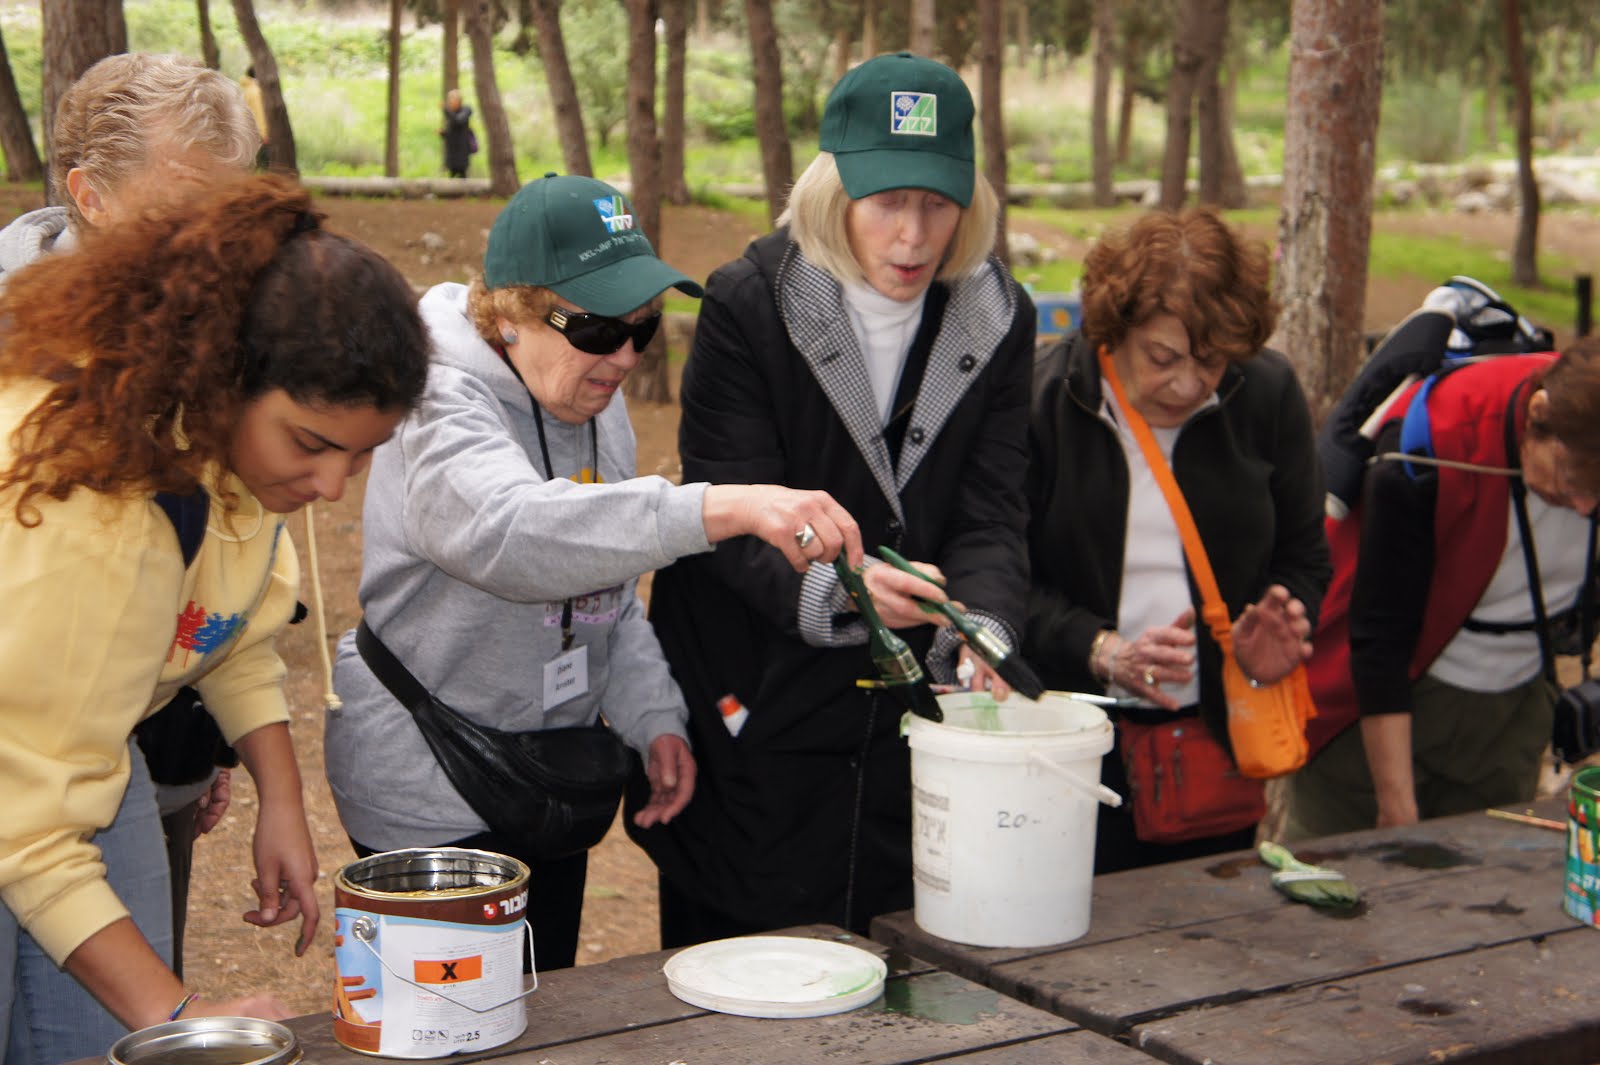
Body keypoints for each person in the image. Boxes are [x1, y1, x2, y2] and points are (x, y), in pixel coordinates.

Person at [325, 172, 862, 974]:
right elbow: (511, 534)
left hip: (549, 776)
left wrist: (652, 714)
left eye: (642, 328)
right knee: (448, 1020)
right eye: (597, 327)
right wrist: (722, 506)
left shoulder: (591, 400)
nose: (624, 357)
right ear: (508, 312)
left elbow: (605, 578)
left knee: (543, 1009)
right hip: (431, 781)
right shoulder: (435, 399)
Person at [0, 173, 430, 1063]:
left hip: (63, 763)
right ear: (225, 377)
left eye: (362, 454)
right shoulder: (98, 520)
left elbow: (226, 626)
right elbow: (28, 823)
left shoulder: (211, 440)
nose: (332, 486)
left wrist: (283, 797)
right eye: (312, 443)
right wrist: (190, 1019)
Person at [631, 52, 1036, 948]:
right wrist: (849, 591)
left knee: (897, 946)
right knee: (748, 954)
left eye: (938, 202)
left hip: (901, 725)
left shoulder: (999, 316)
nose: (914, 235)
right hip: (756, 698)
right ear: (834, 190)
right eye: (887, 201)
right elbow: (730, 513)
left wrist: (983, 626)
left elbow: (993, 509)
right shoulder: (749, 303)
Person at [0, 52, 262, 980]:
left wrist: (206, 742)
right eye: (186, 207)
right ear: (90, 195)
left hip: (127, 771)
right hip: (22, 770)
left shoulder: (208, 337)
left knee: (105, 1019)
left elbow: (214, 560)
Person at [1024, 208, 1330, 873]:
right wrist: (1097, 647)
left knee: (1203, 919)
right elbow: (997, 577)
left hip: (1208, 745)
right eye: (1163, 358)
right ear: (1114, 325)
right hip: (1065, 733)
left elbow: (1304, 556)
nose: (1189, 385)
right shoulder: (1045, 399)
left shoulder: (1266, 393)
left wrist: (1273, 630)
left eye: (1213, 362)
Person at [1284, 303, 1600, 839]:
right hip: (1372, 716)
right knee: (1340, 873)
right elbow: (1380, 637)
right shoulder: (1434, 441)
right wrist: (1395, 803)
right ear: (1538, 415)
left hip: (1508, 714)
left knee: (1480, 879)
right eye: (1571, 482)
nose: (1585, 507)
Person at [239, 66, 271, 170]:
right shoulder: (256, 92)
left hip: (249, 132)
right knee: (262, 166)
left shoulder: (248, 90)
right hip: (258, 134)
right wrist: (264, 134)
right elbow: (259, 114)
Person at [439, 88, 475, 179]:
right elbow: (450, 134)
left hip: (462, 152)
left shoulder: (465, 110)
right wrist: (443, 133)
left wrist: (446, 110)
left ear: (459, 100)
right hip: (451, 153)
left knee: (462, 176)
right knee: (452, 176)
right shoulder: (451, 113)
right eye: (449, 100)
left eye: (453, 99)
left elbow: (458, 121)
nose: (451, 102)